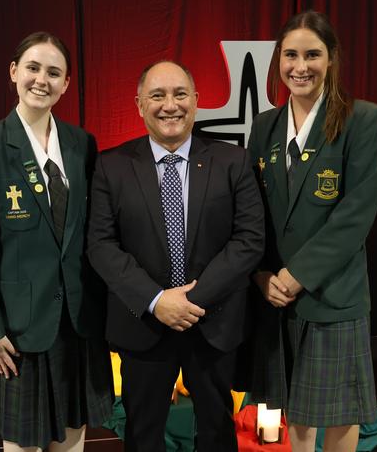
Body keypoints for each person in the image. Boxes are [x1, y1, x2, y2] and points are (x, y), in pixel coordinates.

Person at [87, 60, 265, 452]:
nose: (171, 105)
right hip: (143, 327)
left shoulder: (232, 161)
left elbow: (249, 239)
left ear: (196, 101)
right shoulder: (111, 165)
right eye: (158, 95)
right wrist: (156, 301)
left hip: (212, 324)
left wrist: (188, 302)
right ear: (138, 104)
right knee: (143, 434)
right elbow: (100, 245)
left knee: (218, 433)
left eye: (180, 94)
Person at [0, 32, 112, 452]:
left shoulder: (82, 144)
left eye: (54, 72)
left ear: (67, 84)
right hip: (17, 326)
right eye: (33, 68)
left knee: (74, 433)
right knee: (22, 443)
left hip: (77, 320)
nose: (42, 79)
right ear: (13, 73)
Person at [247, 10, 377, 452]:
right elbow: (252, 212)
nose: (300, 66)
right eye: (290, 55)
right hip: (276, 296)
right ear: (278, 60)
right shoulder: (265, 125)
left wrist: (296, 275)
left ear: (332, 59)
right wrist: (263, 275)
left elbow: (355, 215)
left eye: (312, 54)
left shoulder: (363, 120)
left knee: (340, 414)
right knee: (296, 415)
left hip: (332, 293)